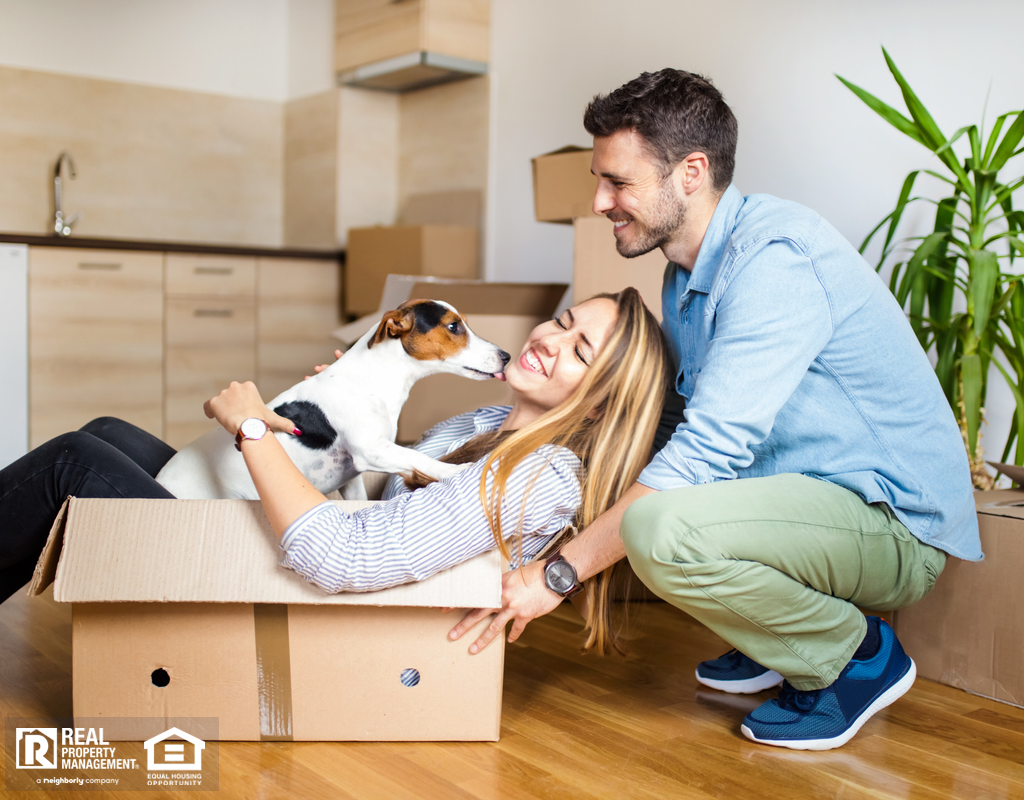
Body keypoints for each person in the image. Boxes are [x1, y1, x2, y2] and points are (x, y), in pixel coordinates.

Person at [450, 68, 982, 751]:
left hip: (894, 523)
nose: (599, 200)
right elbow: (674, 425)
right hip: (812, 503)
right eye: (599, 179)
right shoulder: (685, 273)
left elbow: (706, 453)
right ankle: (781, 638)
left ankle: (854, 657)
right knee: (635, 487)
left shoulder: (773, 260)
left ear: (691, 173)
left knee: (658, 528)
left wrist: (557, 574)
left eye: (618, 182)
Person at [1, 288, 669, 652]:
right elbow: (387, 495)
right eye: (561, 321)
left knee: (73, 459)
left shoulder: (540, 474)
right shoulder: (486, 427)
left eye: (579, 349)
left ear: (603, 400)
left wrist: (255, 427)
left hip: (294, 574)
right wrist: (331, 420)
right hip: (285, 529)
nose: (548, 340)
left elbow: (349, 554)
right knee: (107, 434)